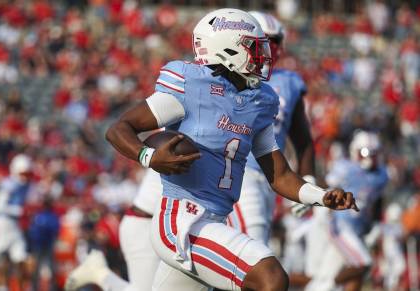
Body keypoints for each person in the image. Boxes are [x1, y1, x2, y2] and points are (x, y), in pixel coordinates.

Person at [68, 8, 357, 291]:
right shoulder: (191, 85)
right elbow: (119, 129)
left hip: (215, 220)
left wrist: (322, 196)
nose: (262, 57)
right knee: (270, 276)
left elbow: (279, 174)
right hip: (182, 222)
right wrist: (149, 156)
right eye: (252, 48)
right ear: (227, 49)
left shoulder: (259, 101)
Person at [227, 11, 315, 244]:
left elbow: (302, 139)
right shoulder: (224, 74)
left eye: (272, 40)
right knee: (254, 253)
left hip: (271, 178)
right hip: (236, 171)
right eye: (260, 38)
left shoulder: (289, 82)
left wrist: (307, 179)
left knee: (250, 250)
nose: (266, 46)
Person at [301, 131, 388, 291]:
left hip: (357, 230)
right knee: (363, 263)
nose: (370, 157)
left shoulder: (382, 174)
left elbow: (377, 201)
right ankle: (327, 285)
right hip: (339, 226)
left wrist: (376, 225)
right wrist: (307, 192)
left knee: (331, 274)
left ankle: (322, 286)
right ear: (356, 151)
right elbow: (325, 185)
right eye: (366, 152)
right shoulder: (346, 168)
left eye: (374, 152)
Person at [0, 154, 35, 289]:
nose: (25, 177)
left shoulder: (26, 186)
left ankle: (21, 287)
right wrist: (19, 210)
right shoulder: (9, 185)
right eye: (23, 173)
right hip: (3, 223)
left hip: (15, 225)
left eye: (27, 174)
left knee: (21, 258)